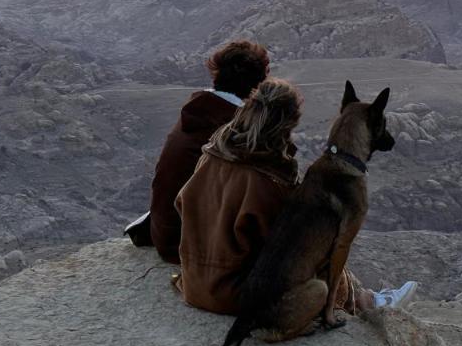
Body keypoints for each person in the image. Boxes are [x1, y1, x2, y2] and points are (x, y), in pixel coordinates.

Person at [175, 76, 416, 317]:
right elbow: (291, 244)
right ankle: (365, 303)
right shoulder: (269, 181)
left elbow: (181, 203)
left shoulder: (212, 155)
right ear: (286, 126)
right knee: (318, 248)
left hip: (192, 284)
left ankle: (365, 297)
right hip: (233, 294)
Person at [123, 39, 271, 264]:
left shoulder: (201, 110)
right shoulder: (232, 129)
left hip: (165, 231)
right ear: (258, 83)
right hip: (187, 244)